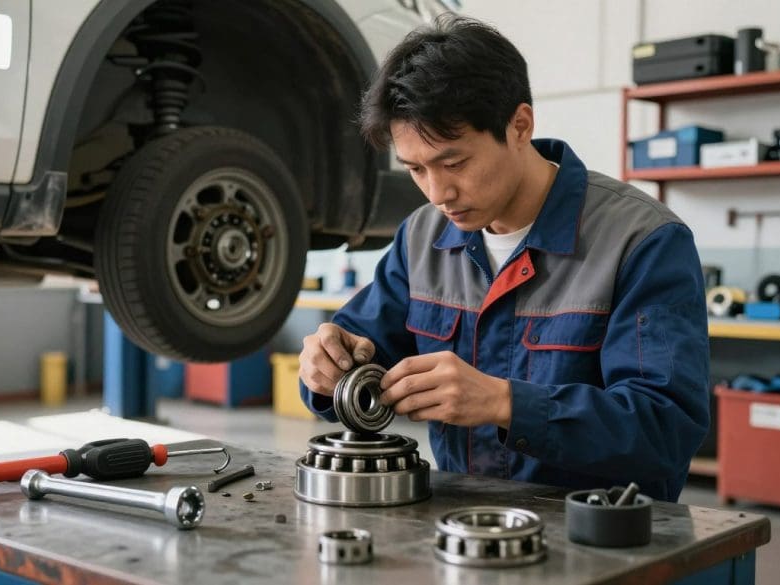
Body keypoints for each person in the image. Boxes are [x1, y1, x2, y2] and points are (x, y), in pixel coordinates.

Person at [298, 15, 709, 502]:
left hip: (604, 541)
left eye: (454, 163)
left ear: (520, 125)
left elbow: (666, 430)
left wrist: (505, 403)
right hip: (463, 530)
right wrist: (325, 370)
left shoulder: (641, 241)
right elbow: (362, 350)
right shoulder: (421, 238)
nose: (438, 193)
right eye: (415, 170)